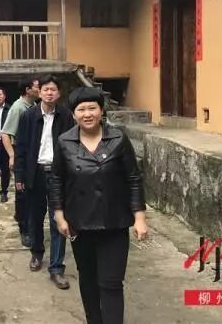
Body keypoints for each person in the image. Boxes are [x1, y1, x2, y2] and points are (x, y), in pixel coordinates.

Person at [50, 87, 148, 324]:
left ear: (101, 110)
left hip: (114, 222)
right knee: (88, 280)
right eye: (81, 109)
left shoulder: (118, 139)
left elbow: (133, 178)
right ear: (73, 114)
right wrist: (59, 215)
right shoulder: (64, 141)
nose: (87, 114)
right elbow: (57, 180)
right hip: (79, 223)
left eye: (92, 108)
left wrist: (140, 218)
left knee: (111, 283)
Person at [14, 75, 75, 289]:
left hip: (58, 174)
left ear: (59, 93)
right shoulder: (28, 116)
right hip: (35, 173)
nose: (49, 93)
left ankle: (57, 267)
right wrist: (19, 176)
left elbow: (72, 147)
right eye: (46, 89)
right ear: (39, 92)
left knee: (58, 219)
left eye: (53, 89)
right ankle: (37, 253)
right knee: (35, 217)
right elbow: (21, 147)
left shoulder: (66, 116)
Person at [0, 77, 40, 247]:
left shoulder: (34, 106)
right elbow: (5, 133)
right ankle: (24, 230)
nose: (40, 89)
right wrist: (12, 156)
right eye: (37, 86)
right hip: (21, 155)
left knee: (31, 194)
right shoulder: (18, 108)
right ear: (28, 90)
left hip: (33, 156)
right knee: (22, 193)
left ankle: (25, 219)